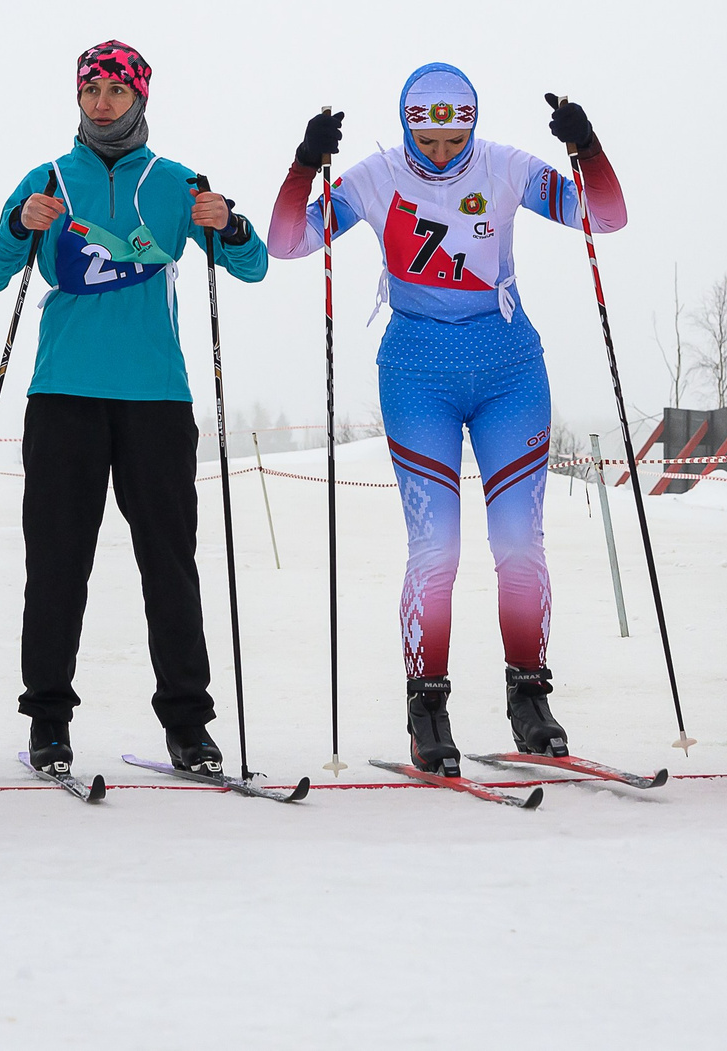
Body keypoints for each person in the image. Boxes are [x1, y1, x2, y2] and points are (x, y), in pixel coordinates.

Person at [268, 67, 626, 776]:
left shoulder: (505, 165)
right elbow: (286, 242)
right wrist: (305, 163)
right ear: (407, 126)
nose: (438, 149)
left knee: (520, 543)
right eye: (426, 135)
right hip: (417, 373)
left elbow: (605, 216)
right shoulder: (375, 176)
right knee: (437, 549)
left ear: (471, 123)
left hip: (509, 369)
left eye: (452, 134)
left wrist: (586, 146)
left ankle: (530, 699)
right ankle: (426, 706)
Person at [0, 40, 266, 779]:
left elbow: (251, 264)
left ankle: (189, 726)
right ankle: (47, 721)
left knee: (169, 564)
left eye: (116, 89)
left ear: (140, 97)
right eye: (91, 89)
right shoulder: (47, 179)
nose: (102, 101)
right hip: (64, 394)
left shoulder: (175, 182)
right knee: (57, 562)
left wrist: (226, 222)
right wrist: (18, 228)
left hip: (156, 401)